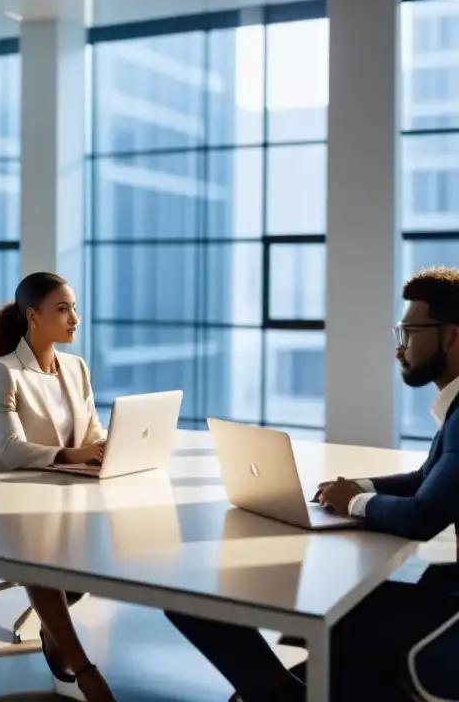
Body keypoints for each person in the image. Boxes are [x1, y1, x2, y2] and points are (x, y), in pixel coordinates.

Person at [166, 266, 459, 702]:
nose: (399, 349)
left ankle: (276, 693)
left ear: (451, 337)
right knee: (330, 608)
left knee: (311, 604)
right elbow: (425, 479)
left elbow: (423, 516)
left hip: (447, 620)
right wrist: (352, 488)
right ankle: (276, 689)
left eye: (409, 333)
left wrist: (357, 502)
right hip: (446, 596)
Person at [0, 272, 115, 702]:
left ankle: (51, 630)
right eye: (63, 309)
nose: (75, 318)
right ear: (33, 317)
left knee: (93, 554)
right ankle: (83, 665)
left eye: (74, 307)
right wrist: (71, 456)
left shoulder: (76, 367)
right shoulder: (4, 372)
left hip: (60, 488)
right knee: (42, 554)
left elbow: (91, 429)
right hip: (6, 493)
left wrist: (109, 446)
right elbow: (12, 448)